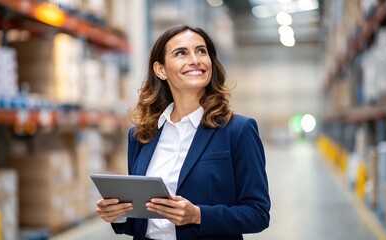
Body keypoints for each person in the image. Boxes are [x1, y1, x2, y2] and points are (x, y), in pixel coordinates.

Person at [96, 25, 270, 240]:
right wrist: (119, 215)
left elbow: (258, 213)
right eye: (181, 53)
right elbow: (143, 222)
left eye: (201, 51)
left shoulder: (237, 130)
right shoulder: (142, 136)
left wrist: (198, 215)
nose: (195, 59)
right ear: (160, 70)